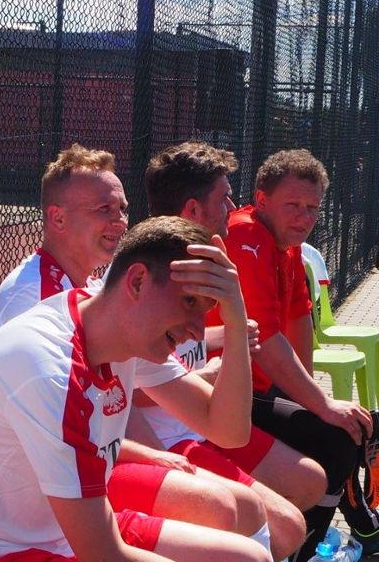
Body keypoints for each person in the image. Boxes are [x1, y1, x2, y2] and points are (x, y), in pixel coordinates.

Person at [0, 216, 270, 562]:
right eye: (189, 302)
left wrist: (236, 321)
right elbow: (103, 553)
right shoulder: (50, 369)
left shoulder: (122, 329)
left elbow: (228, 431)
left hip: (57, 531)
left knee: (249, 557)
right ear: (137, 282)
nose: (197, 330)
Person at [0, 144, 275, 550]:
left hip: (76, 475)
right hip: (27, 511)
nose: (119, 220)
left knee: (243, 512)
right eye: (104, 209)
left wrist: (235, 321)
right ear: (57, 217)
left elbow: (226, 429)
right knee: (221, 508)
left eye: (122, 209)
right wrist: (144, 453)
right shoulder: (30, 303)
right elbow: (51, 432)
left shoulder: (103, 299)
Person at [215, 148, 379, 559]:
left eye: (312, 208)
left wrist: (313, 403)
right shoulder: (247, 236)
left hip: (255, 389)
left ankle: (358, 527)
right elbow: (266, 341)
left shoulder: (288, 245)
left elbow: (299, 321)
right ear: (262, 199)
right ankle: (305, 548)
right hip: (220, 393)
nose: (304, 217)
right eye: (293, 205)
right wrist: (320, 405)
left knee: (352, 424)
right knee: (336, 437)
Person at [142, 141, 328, 559]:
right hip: (172, 434)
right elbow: (127, 389)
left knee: (311, 478)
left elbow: (162, 361)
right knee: (279, 525)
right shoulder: (149, 279)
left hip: (195, 418)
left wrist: (226, 336)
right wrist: (215, 360)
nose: (232, 206)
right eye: (224, 197)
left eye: (311, 208)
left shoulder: (198, 264)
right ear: (193, 210)